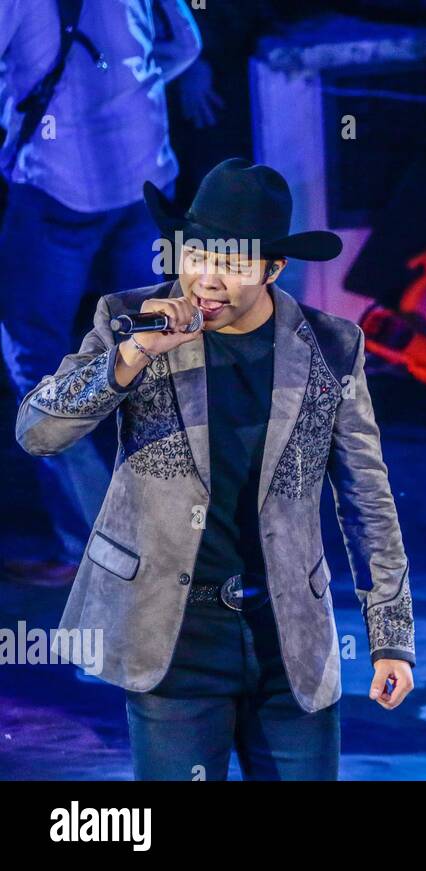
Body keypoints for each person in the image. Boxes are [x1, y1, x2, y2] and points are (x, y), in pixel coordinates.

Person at [15, 159, 416, 780]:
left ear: (273, 268)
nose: (206, 279)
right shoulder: (131, 318)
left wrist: (391, 636)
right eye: (196, 256)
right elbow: (38, 431)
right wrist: (128, 358)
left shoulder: (332, 345)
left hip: (290, 640)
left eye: (231, 265)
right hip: (172, 638)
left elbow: (366, 495)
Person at [0, 0, 201, 585]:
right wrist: (125, 98)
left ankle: (95, 546)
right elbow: (184, 43)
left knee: (36, 359)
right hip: (145, 180)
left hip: (57, 187)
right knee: (155, 355)